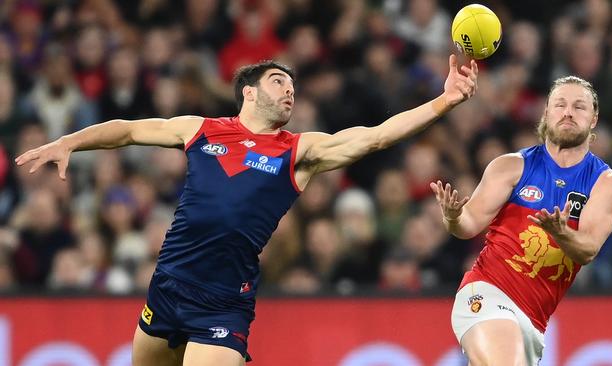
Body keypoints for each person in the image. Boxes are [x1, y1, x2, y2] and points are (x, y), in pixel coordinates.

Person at [15, 56, 478, 366]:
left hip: (223, 301)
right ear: (249, 93)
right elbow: (129, 131)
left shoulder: (298, 151)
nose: (290, 91)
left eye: (293, 86)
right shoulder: (202, 129)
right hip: (169, 284)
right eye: (279, 82)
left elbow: (376, 136)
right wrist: (69, 141)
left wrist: (445, 101)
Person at [430, 76, 612, 365]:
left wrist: (561, 234)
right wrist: (454, 216)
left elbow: (588, 249)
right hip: (486, 292)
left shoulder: (605, 184)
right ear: (546, 112)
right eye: (560, 104)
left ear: (593, 119)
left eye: (579, 106)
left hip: (533, 322)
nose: (568, 112)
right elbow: (468, 225)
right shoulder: (511, 167)